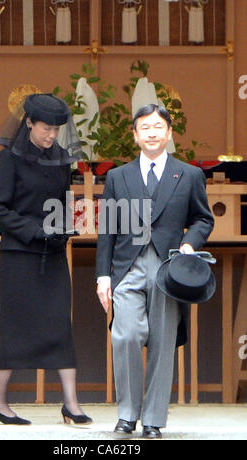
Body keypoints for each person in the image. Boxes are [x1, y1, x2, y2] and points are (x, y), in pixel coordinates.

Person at [96, 104, 214, 439]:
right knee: (126, 335)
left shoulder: (189, 175)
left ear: (169, 133)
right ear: (135, 135)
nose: (151, 132)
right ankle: (127, 414)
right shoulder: (119, 176)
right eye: (144, 127)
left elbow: (203, 218)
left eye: (158, 126)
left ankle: (152, 420)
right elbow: (108, 229)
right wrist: (103, 276)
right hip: (127, 268)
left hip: (168, 269)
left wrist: (190, 244)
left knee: (163, 345)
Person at [0, 93, 92, 426]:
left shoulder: (62, 158)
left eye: (57, 129)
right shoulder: (10, 158)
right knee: (14, 325)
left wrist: (64, 226)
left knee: (60, 322)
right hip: (20, 254)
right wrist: (34, 229)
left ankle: (71, 404)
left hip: (53, 253)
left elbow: (61, 202)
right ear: (29, 123)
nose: (51, 135)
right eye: (46, 128)